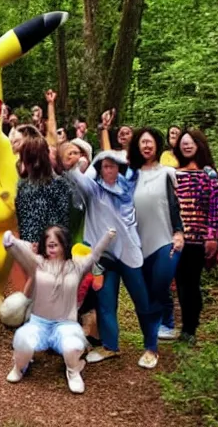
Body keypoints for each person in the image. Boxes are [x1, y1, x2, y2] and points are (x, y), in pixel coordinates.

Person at [69, 150, 157, 367]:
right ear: (99, 169)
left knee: (142, 301)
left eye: (113, 166)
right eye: (104, 166)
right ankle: (110, 346)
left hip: (129, 253)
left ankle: (151, 347)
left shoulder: (129, 187)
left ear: (119, 168)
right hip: (103, 256)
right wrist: (78, 162)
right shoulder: (93, 189)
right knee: (105, 301)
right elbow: (74, 177)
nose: (109, 170)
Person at [3, 225, 116, 394]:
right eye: (49, 245)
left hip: (65, 324)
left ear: (64, 244)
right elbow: (21, 249)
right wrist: (10, 241)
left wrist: (107, 237)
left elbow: (94, 255)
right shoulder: (38, 263)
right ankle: (20, 367)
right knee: (23, 340)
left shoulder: (76, 267)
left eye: (55, 244)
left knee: (73, 345)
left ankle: (73, 370)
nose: (51, 249)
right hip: (38, 322)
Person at [129, 128, 185, 361]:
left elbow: (177, 203)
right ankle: (151, 342)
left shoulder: (168, 173)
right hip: (138, 243)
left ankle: (167, 323)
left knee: (160, 283)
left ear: (157, 145)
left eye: (150, 142)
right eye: (142, 142)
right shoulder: (130, 175)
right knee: (147, 292)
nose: (146, 146)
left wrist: (179, 231)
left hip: (165, 239)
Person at [173, 129, 218, 345]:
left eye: (191, 142)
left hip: (199, 239)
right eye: (183, 143)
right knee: (180, 283)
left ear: (199, 145)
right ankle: (185, 326)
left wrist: (212, 236)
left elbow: (217, 207)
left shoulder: (209, 174)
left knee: (191, 284)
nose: (187, 146)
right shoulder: (174, 173)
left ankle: (190, 329)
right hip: (177, 238)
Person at [15, 137, 71, 244]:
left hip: (49, 246)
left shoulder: (58, 184)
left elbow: (63, 221)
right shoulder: (22, 185)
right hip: (30, 246)